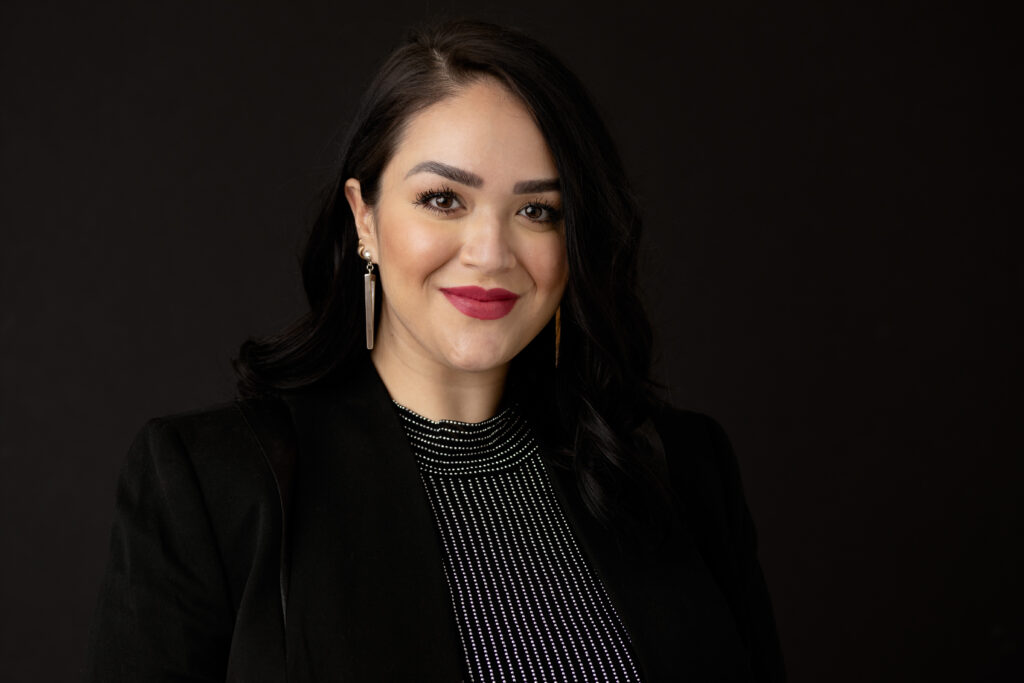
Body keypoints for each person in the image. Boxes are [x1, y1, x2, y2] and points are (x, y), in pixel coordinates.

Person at [85, 19, 785, 682]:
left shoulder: (680, 470)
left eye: (537, 210)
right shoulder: (213, 487)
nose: (490, 253)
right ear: (364, 217)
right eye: (444, 199)